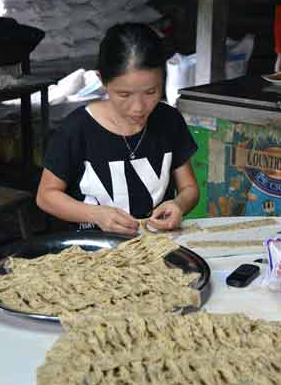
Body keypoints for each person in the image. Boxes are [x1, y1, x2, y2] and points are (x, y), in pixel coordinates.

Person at [36, 23, 199, 236]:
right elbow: (46, 196)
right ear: (102, 80)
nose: (138, 107)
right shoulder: (77, 129)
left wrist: (179, 205)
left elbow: (189, 189)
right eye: (124, 94)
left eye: (151, 92)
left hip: (156, 246)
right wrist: (95, 214)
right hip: (93, 252)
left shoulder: (169, 120)